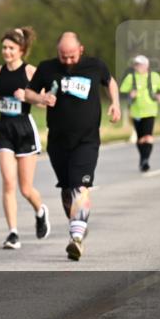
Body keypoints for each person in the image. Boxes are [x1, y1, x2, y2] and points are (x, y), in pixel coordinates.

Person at [25, 32, 121, 261]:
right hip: (58, 140)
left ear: (81, 49)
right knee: (67, 188)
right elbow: (28, 93)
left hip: (86, 139)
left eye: (72, 56)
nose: (67, 61)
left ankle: (76, 238)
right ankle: (78, 225)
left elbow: (110, 81)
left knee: (80, 185)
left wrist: (115, 103)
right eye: (63, 56)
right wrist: (41, 99)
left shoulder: (95, 65)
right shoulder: (47, 68)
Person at [0, 27, 49, 250]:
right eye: (4, 48)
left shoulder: (31, 72)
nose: (7, 52)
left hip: (24, 130)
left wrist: (29, 97)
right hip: (4, 129)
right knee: (8, 182)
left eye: (11, 48)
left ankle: (40, 210)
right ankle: (13, 232)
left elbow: (44, 102)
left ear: (21, 50)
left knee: (25, 188)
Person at [119, 54, 160, 172]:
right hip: (136, 112)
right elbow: (122, 91)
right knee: (140, 138)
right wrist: (130, 94)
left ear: (147, 65)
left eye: (140, 64)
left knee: (148, 136)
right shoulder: (131, 78)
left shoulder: (154, 76)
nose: (138, 66)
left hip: (150, 111)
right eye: (136, 64)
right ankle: (143, 159)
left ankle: (145, 160)